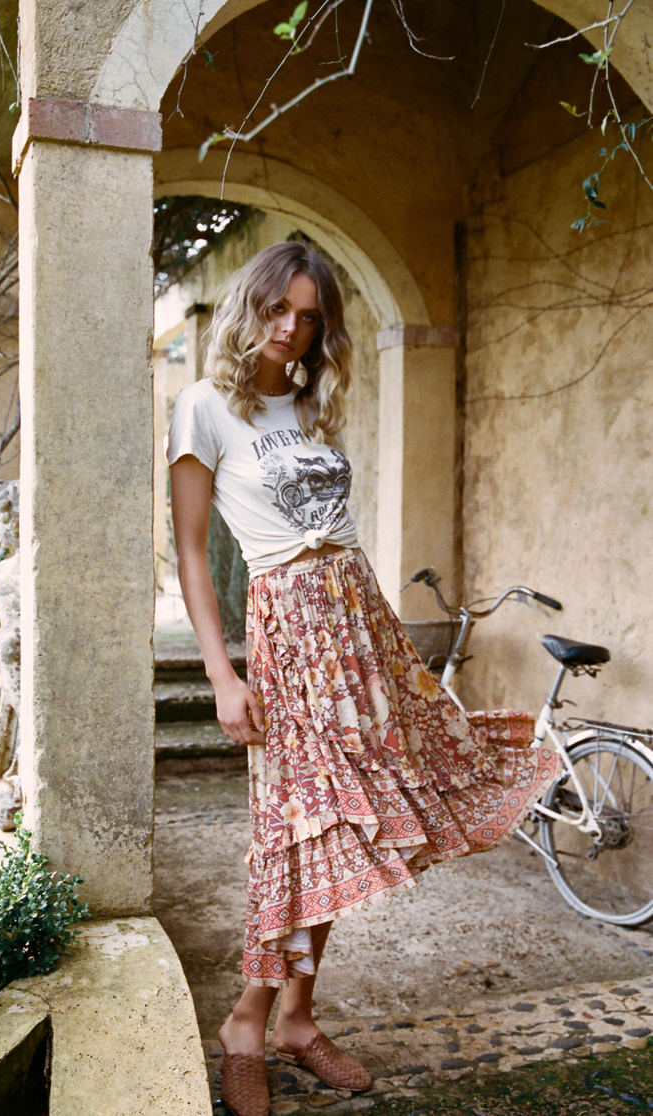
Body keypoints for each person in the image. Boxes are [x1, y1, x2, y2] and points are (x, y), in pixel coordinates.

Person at [167, 241, 560, 1116]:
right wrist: (222, 673)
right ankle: (248, 1022)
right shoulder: (204, 407)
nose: (290, 328)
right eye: (278, 308)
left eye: (309, 317)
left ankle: (296, 1020)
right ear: (250, 305)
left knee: (347, 832)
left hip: (359, 627)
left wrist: (381, 647)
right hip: (288, 636)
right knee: (299, 831)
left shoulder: (313, 402)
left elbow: (339, 531)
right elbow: (191, 552)